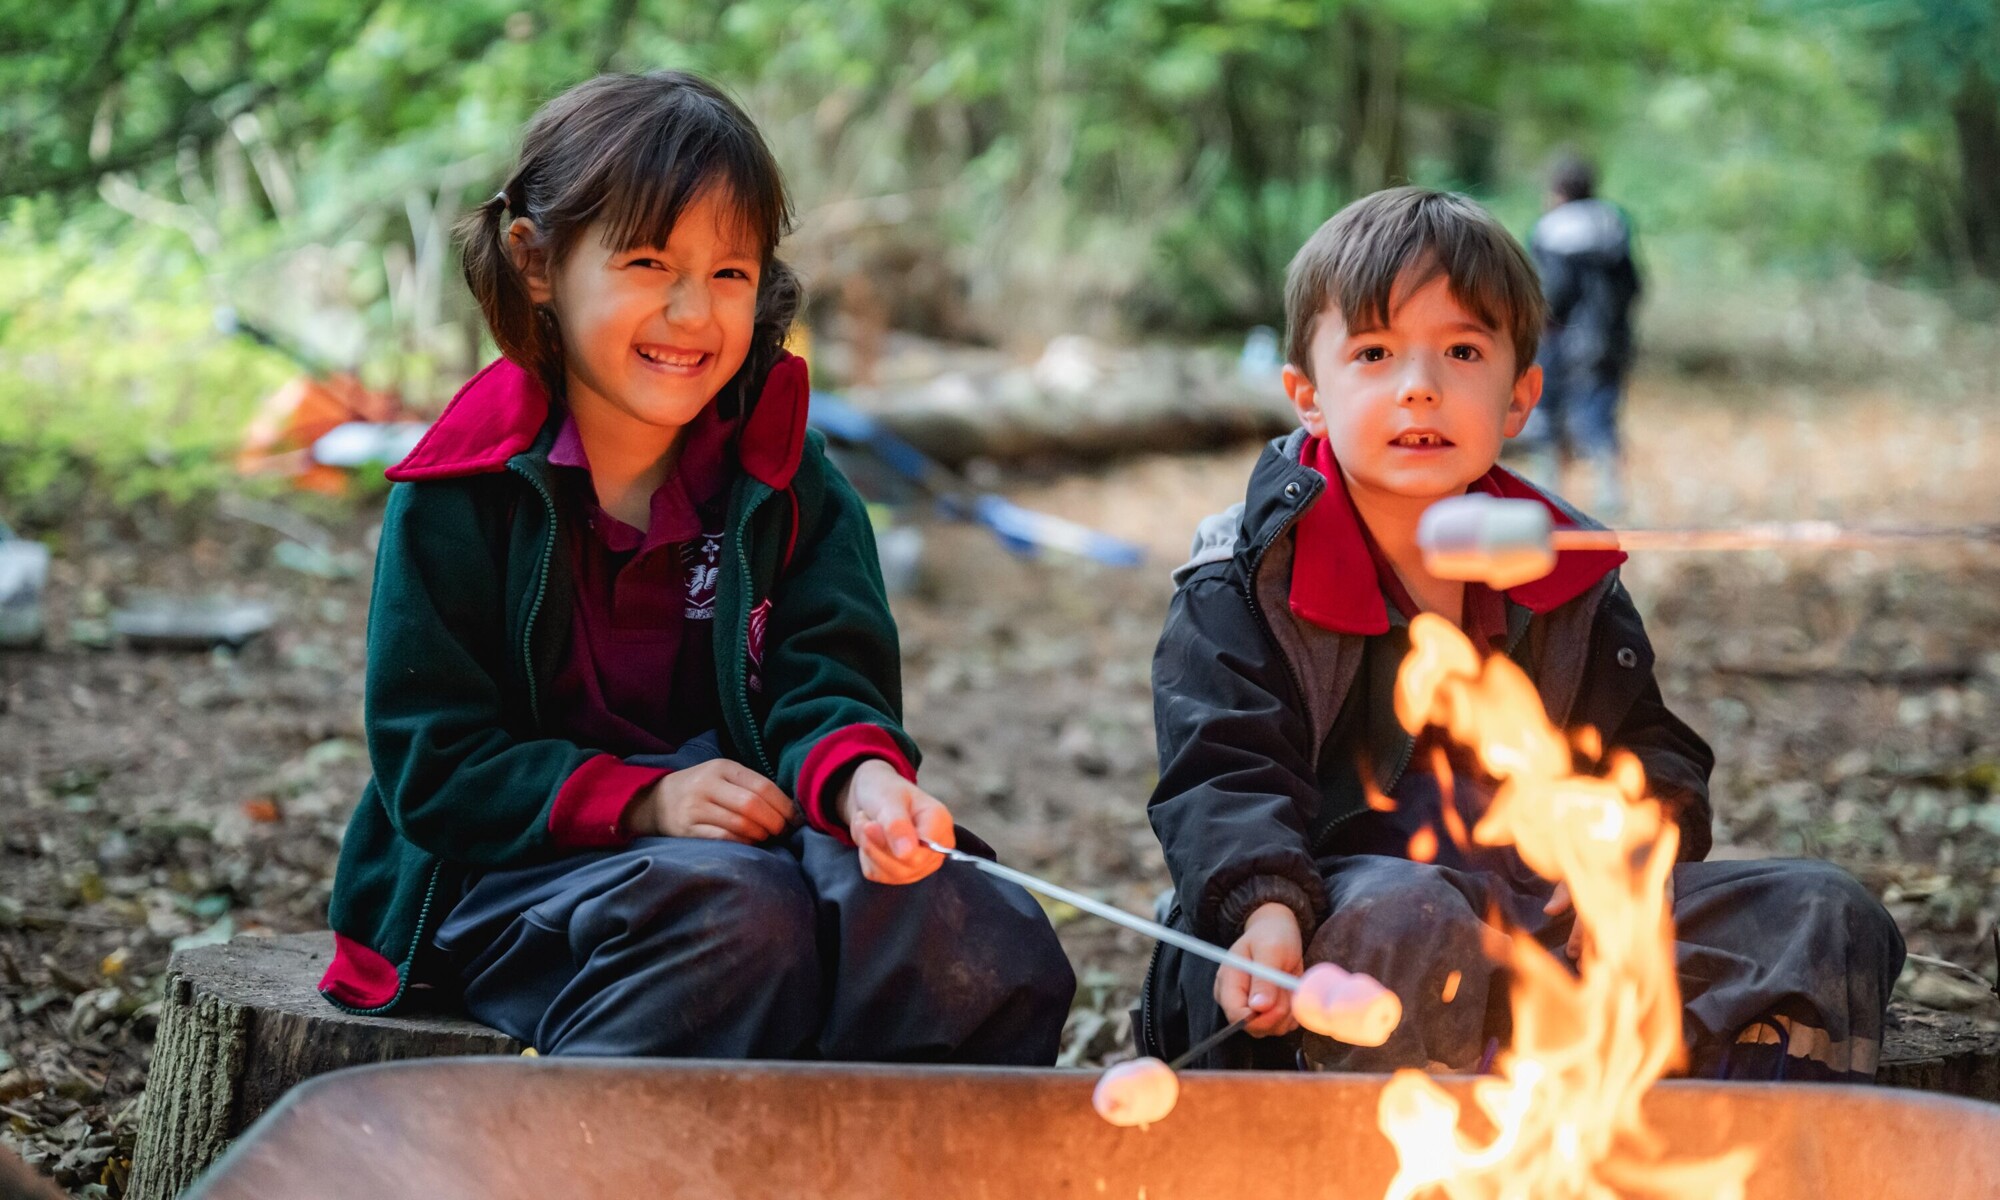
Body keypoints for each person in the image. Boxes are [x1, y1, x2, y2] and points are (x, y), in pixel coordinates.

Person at [318, 71, 1074, 1062]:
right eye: (645, 262)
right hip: (511, 881)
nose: (690, 312)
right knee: (733, 918)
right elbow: (437, 764)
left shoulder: (785, 476)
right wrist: (642, 798)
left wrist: (864, 783)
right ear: (534, 261)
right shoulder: (462, 491)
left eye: (728, 273)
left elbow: (825, 685)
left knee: (975, 930)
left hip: (760, 852)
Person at [1138, 187, 1903, 1081]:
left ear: (1519, 398)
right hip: (1326, 931)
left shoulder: (1564, 568)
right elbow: (1219, 772)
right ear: (1308, 396)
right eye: (1375, 353)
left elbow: (1645, 746)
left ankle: (1682, 1143)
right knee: (1408, 916)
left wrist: (1625, 846)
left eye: (1462, 351)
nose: (1419, 385)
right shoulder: (1246, 575)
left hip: (1538, 924)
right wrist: (1261, 907)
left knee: (1823, 914)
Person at [1519, 154, 1642, 515]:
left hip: (1559, 340)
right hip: (1609, 338)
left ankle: (1548, 490)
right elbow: (1634, 285)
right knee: (1600, 409)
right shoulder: (1614, 225)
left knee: (1547, 408)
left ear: (1557, 190)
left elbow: (1553, 291)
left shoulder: (1550, 231)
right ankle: (1609, 490)